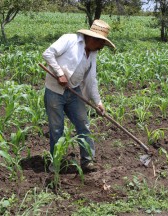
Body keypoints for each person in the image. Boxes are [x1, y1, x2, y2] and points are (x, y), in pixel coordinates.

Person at [43, 20, 115, 172]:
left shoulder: (93, 53)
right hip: (54, 92)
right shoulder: (70, 40)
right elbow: (48, 53)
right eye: (101, 44)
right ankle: (55, 164)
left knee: (83, 125)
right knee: (57, 129)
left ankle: (87, 161)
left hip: (74, 92)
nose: (101, 48)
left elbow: (91, 79)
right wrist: (60, 73)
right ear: (94, 39)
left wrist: (98, 102)